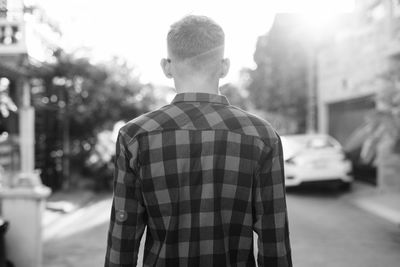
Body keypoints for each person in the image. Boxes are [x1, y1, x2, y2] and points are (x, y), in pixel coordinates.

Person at [105, 15, 292, 267]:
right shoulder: (262, 136)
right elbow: (274, 239)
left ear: (166, 66)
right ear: (224, 66)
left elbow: (123, 238)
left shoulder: (135, 136)